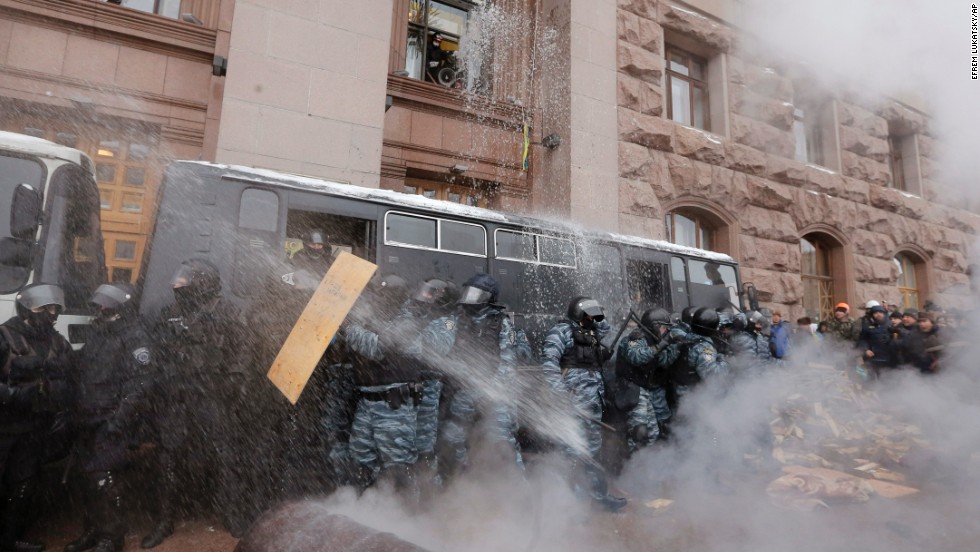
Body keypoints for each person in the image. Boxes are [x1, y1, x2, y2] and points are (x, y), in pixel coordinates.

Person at [142, 259, 254, 548]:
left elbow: (242, 354)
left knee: (225, 458)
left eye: (183, 280)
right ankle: (164, 521)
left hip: (212, 399)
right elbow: (158, 354)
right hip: (177, 398)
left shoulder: (229, 312)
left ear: (201, 283)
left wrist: (231, 387)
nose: (175, 285)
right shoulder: (170, 314)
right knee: (168, 458)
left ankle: (232, 514)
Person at [64, 283, 153, 552]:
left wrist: (118, 421)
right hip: (87, 418)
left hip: (110, 420)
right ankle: (92, 531)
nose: (100, 312)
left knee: (105, 480)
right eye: (98, 307)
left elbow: (140, 386)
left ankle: (111, 538)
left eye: (106, 308)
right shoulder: (99, 334)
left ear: (121, 310)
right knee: (87, 479)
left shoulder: (135, 338)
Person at [0, 284, 73, 552]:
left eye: (54, 308)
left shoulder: (58, 343)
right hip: (4, 426)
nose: (50, 313)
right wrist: (13, 395)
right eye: (43, 307)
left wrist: (63, 407)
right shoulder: (5, 336)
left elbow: (71, 380)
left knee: (23, 484)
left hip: (36, 427)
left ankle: (9, 540)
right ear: (26, 309)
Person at [343, 273, 427, 492]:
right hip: (368, 403)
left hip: (394, 408)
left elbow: (376, 348)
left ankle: (406, 519)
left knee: (398, 469)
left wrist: (351, 328)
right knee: (360, 464)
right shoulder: (376, 318)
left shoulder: (408, 322)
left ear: (395, 297)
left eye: (383, 295)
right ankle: (367, 513)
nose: (377, 299)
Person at [541, 296, 625, 511]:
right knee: (570, 451)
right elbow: (549, 364)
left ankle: (597, 496)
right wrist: (560, 393)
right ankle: (569, 502)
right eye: (589, 313)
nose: (592, 318)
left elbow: (610, 331)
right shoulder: (561, 331)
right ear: (579, 312)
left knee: (592, 450)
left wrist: (599, 316)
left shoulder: (593, 331)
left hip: (593, 403)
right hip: (572, 402)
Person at [438, 274, 526, 479]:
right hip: (465, 391)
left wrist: (491, 391)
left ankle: (519, 492)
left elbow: (507, 364)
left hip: (495, 393)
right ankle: (457, 485)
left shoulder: (501, 324)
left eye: (476, 293)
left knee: (502, 442)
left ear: (489, 297)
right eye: (469, 291)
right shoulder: (458, 319)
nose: (470, 297)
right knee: (451, 437)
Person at [614, 308, 677, 452]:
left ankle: (648, 468)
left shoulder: (653, 340)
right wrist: (662, 345)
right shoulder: (636, 338)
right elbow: (637, 357)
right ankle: (634, 468)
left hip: (644, 390)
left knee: (653, 433)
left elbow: (664, 361)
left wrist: (676, 345)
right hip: (631, 389)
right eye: (664, 327)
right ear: (655, 326)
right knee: (639, 434)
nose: (666, 331)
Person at [855, 304, 897, 376]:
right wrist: (866, 350)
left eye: (880, 312)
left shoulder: (891, 325)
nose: (878, 315)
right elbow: (862, 340)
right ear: (872, 315)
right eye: (875, 313)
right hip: (873, 359)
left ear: (884, 314)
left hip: (889, 359)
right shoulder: (867, 326)